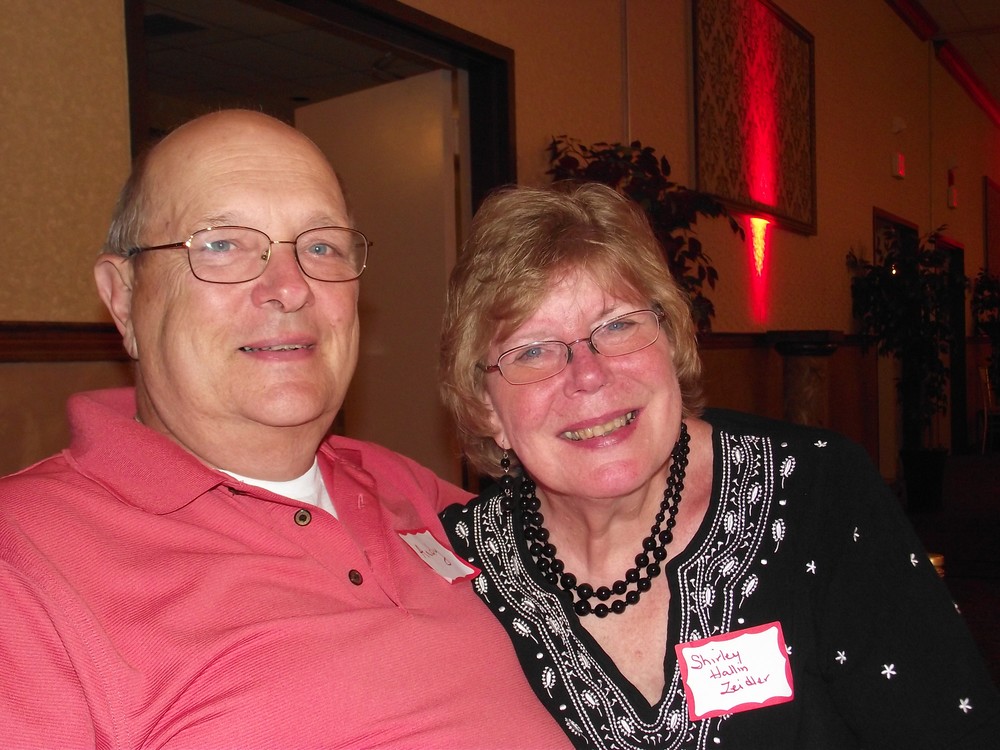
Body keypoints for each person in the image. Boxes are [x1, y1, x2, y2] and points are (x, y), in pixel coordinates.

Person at [0, 110, 572, 749]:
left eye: (320, 246)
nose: (289, 288)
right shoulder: (22, 559)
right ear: (124, 298)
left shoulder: (409, 490)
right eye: (221, 245)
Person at [439, 181, 1000, 749]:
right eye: (533, 350)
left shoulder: (817, 492)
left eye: (618, 325)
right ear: (487, 408)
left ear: (671, 338)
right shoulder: (457, 574)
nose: (588, 374)